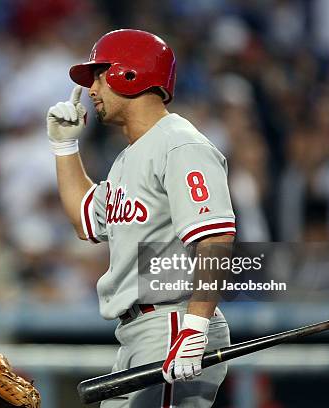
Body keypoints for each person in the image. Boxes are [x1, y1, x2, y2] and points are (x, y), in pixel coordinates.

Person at [47, 29, 235, 407]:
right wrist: (65, 146)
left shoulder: (181, 143)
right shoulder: (130, 156)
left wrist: (195, 325)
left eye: (98, 75)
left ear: (128, 74)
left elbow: (215, 239)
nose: (92, 90)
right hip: (141, 329)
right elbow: (86, 221)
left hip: (172, 320)